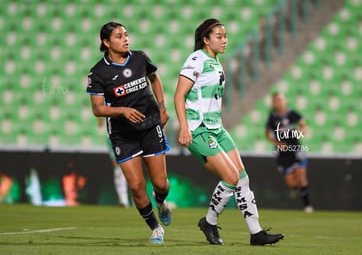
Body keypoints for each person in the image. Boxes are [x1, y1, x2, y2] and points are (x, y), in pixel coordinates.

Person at [174, 18, 284, 246]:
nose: (224, 41)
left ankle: (256, 233)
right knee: (231, 178)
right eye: (219, 37)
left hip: (217, 128)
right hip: (199, 129)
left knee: (242, 178)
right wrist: (184, 127)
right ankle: (209, 222)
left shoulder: (216, 62)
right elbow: (179, 95)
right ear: (205, 39)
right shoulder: (196, 59)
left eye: (225, 36)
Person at [86, 21, 171, 244]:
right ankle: (155, 228)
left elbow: (155, 78)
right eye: (118, 36)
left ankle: (161, 201)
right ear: (106, 42)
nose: (125, 39)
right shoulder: (98, 72)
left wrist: (162, 108)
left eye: (126, 34)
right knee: (136, 186)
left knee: (161, 184)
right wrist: (122, 110)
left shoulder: (141, 58)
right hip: (123, 135)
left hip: (151, 125)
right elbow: (97, 109)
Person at [265, 92, 314, 213]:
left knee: (302, 178)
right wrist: (278, 143)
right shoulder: (272, 117)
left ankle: (307, 206)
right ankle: (295, 188)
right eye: (277, 100)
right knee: (291, 182)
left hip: (295, 149)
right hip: (283, 154)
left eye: (281, 99)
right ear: (274, 103)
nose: (279, 102)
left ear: (285, 100)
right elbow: (267, 133)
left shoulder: (293, 114)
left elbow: (304, 126)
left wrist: (301, 131)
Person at [98, 117, 130, 208]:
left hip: (127, 135)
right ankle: (123, 200)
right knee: (118, 167)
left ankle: (133, 200)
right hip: (113, 136)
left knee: (129, 168)